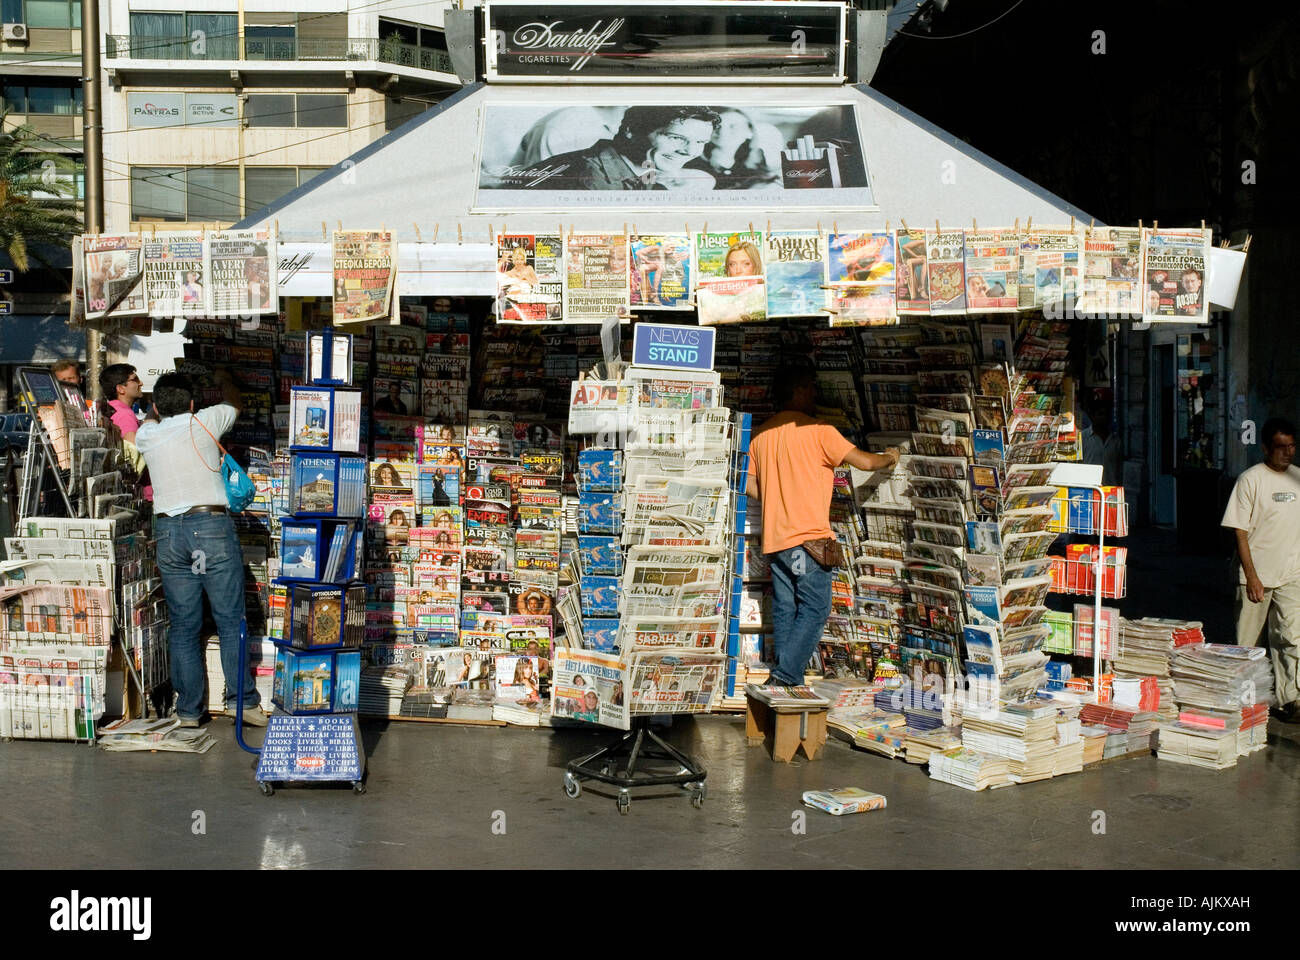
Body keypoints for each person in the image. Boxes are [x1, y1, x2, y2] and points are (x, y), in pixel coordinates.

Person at [746, 366, 900, 687]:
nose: (815, 394)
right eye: (811, 387)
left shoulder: (761, 435)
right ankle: (785, 678)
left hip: (776, 541)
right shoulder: (820, 432)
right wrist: (890, 456)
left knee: (787, 609)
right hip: (808, 542)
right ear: (798, 391)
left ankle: (789, 684)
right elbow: (867, 463)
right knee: (815, 609)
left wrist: (780, 496)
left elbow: (749, 486)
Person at [134, 372, 265, 728]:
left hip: (170, 533)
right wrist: (221, 380)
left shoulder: (147, 433)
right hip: (210, 528)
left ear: (157, 406)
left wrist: (154, 409)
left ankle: (189, 710)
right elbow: (235, 400)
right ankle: (245, 702)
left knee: (184, 625)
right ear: (193, 404)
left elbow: (146, 420)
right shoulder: (206, 420)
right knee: (229, 620)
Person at [1221, 417, 1300, 723]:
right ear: (1266, 448)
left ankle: (1290, 698)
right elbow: (1239, 531)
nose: (1288, 452)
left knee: (1291, 638)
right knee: (1248, 643)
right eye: (1281, 447)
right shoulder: (1250, 480)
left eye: (1292, 446)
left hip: (1291, 575)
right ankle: (1244, 702)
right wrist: (1252, 576)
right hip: (1256, 575)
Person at [526, 106, 721, 191]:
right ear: (631, 130)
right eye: (676, 138)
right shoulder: (590, 180)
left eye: (700, 142)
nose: (688, 151)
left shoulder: (642, 168)